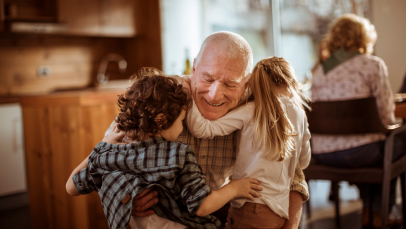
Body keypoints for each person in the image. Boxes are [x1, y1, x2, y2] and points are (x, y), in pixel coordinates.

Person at [108, 31, 310, 229]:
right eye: (208, 79)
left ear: (246, 84)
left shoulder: (254, 108)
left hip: (216, 208)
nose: (214, 95)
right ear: (194, 67)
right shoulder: (160, 97)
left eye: (231, 84)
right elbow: (104, 163)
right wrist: (124, 200)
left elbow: (293, 175)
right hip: (157, 215)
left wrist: (290, 225)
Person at [65, 69, 263, 229]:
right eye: (181, 120)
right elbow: (201, 206)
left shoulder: (111, 152)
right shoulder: (178, 155)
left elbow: (71, 187)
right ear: (161, 121)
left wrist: (102, 147)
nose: (183, 125)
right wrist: (236, 187)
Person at [184, 56, 311, 229]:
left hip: (251, 206)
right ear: (291, 81)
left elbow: (201, 129)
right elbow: (303, 162)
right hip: (280, 210)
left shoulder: (251, 110)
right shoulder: (300, 114)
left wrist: (188, 92)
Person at [310, 14, 404, 228]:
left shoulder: (320, 71)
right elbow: (385, 115)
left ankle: (369, 212)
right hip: (360, 154)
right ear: (364, 38)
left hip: (323, 154)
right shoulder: (372, 64)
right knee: (395, 144)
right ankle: (380, 213)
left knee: (374, 147)